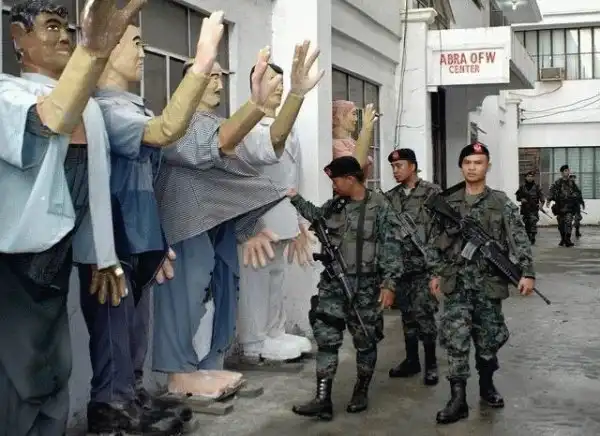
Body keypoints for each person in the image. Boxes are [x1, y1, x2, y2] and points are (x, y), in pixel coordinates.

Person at [0, 0, 144, 433]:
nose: (63, 36)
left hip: (58, 261)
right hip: (15, 262)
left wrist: (102, 253)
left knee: (55, 368)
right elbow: (49, 121)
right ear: (18, 38)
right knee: (20, 376)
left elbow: (93, 182)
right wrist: (93, 52)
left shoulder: (91, 108)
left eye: (67, 28)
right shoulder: (7, 93)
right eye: (50, 26)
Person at [76, 15, 224, 433]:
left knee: (134, 333)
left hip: (139, 238)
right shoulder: (102, 109)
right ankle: (111, 410)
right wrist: (201, 64)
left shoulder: (132, 108)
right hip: (112, 241)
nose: (143, 53)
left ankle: (131, 397)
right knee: (113, 332)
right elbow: (163, 132)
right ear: (107, 48)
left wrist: (158, 240)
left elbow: (151, 177)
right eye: (136, 43)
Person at [152, 46, 306, 403]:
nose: (217, 82)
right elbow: (219, 147)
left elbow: (264, 148)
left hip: (220, 224)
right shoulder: (175, 123)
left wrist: (295, 95)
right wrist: (257, 104)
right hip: (186, 223)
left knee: (225, 287)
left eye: (221, 76)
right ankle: (180, 371)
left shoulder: (223, 124)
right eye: (209, 75)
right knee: (188, 293)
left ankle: (211, 363)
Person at [428, 142, 535, 425]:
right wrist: (435, 273)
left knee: (489, 340)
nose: (473, 167)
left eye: (478, 162)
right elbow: (432, 242)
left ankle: (487, 385)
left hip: (488, 285)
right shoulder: (448, 203)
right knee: (456, 340)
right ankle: (458, 399)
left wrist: (527, 272)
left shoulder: (500, 202)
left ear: (488, 166)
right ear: (461, 166)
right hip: (456, 283)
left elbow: (518, 238)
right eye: (468, 163)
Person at [288, 156, 399, 421]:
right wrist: (295, 198)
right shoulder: (336, 204)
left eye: (336, 181)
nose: (334, 186)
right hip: (333, 284)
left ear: (351, 179)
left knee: (366, 340)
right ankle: (322, 399)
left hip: (366, 286)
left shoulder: (380, 205)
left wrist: (389, 284)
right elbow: (316, 215)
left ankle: (361, 390)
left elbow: (392, 246)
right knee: (327, 338)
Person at [237, 41, 324, 362]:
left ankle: (274, 331)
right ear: (255, 83)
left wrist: (299, 221)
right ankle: (254, 342)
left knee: (276, 277)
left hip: (284, 216)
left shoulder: (292, 130)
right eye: (271, 81)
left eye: (281, 83)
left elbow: (293, 178)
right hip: (258, 219)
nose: (278, 88)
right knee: (255, 280)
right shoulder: (248, 127)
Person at [385, 148, 441, 386]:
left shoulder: (432, 193)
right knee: (407, 316)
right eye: (393, 167)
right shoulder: (390, 197)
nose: (395, 171)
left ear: (413, 166)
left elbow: (441, 231)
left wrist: (437, 270)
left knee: (425, 316)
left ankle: (431, 364)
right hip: (401, 268)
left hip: (425, 267)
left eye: (399, 166)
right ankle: (411, 361)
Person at [331, 100, 378, 175]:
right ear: (339, 117)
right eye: (353, 114)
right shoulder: (335, 144)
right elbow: (355, 165)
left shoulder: (353, 142)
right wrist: (366, 128)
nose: (356, 119)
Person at [547, 164, 582, 247]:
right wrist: (548, 200)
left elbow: (578, 192)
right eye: (566, 171)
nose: (568, 172)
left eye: (568, 170)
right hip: (560, 207)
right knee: (561, 225)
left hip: (569, 207)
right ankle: (563, 239)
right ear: (562, 173)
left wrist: (576, 198)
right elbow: (551, 191)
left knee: (568, 222)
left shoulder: (572, 183)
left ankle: (568, 239)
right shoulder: (557, 182)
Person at [515, 170, 545, 244]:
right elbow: (518, 197)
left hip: (533, 208)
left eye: (531, 176)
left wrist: (541, 205)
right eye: (528, 176)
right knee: (527, 223)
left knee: (533, 221)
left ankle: (533, 236)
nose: (530, 178)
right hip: (525, 208)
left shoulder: (537, 187)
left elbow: (542, 197)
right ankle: (528, 235)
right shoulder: (522, 187)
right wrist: (521, 199)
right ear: (525, 177)